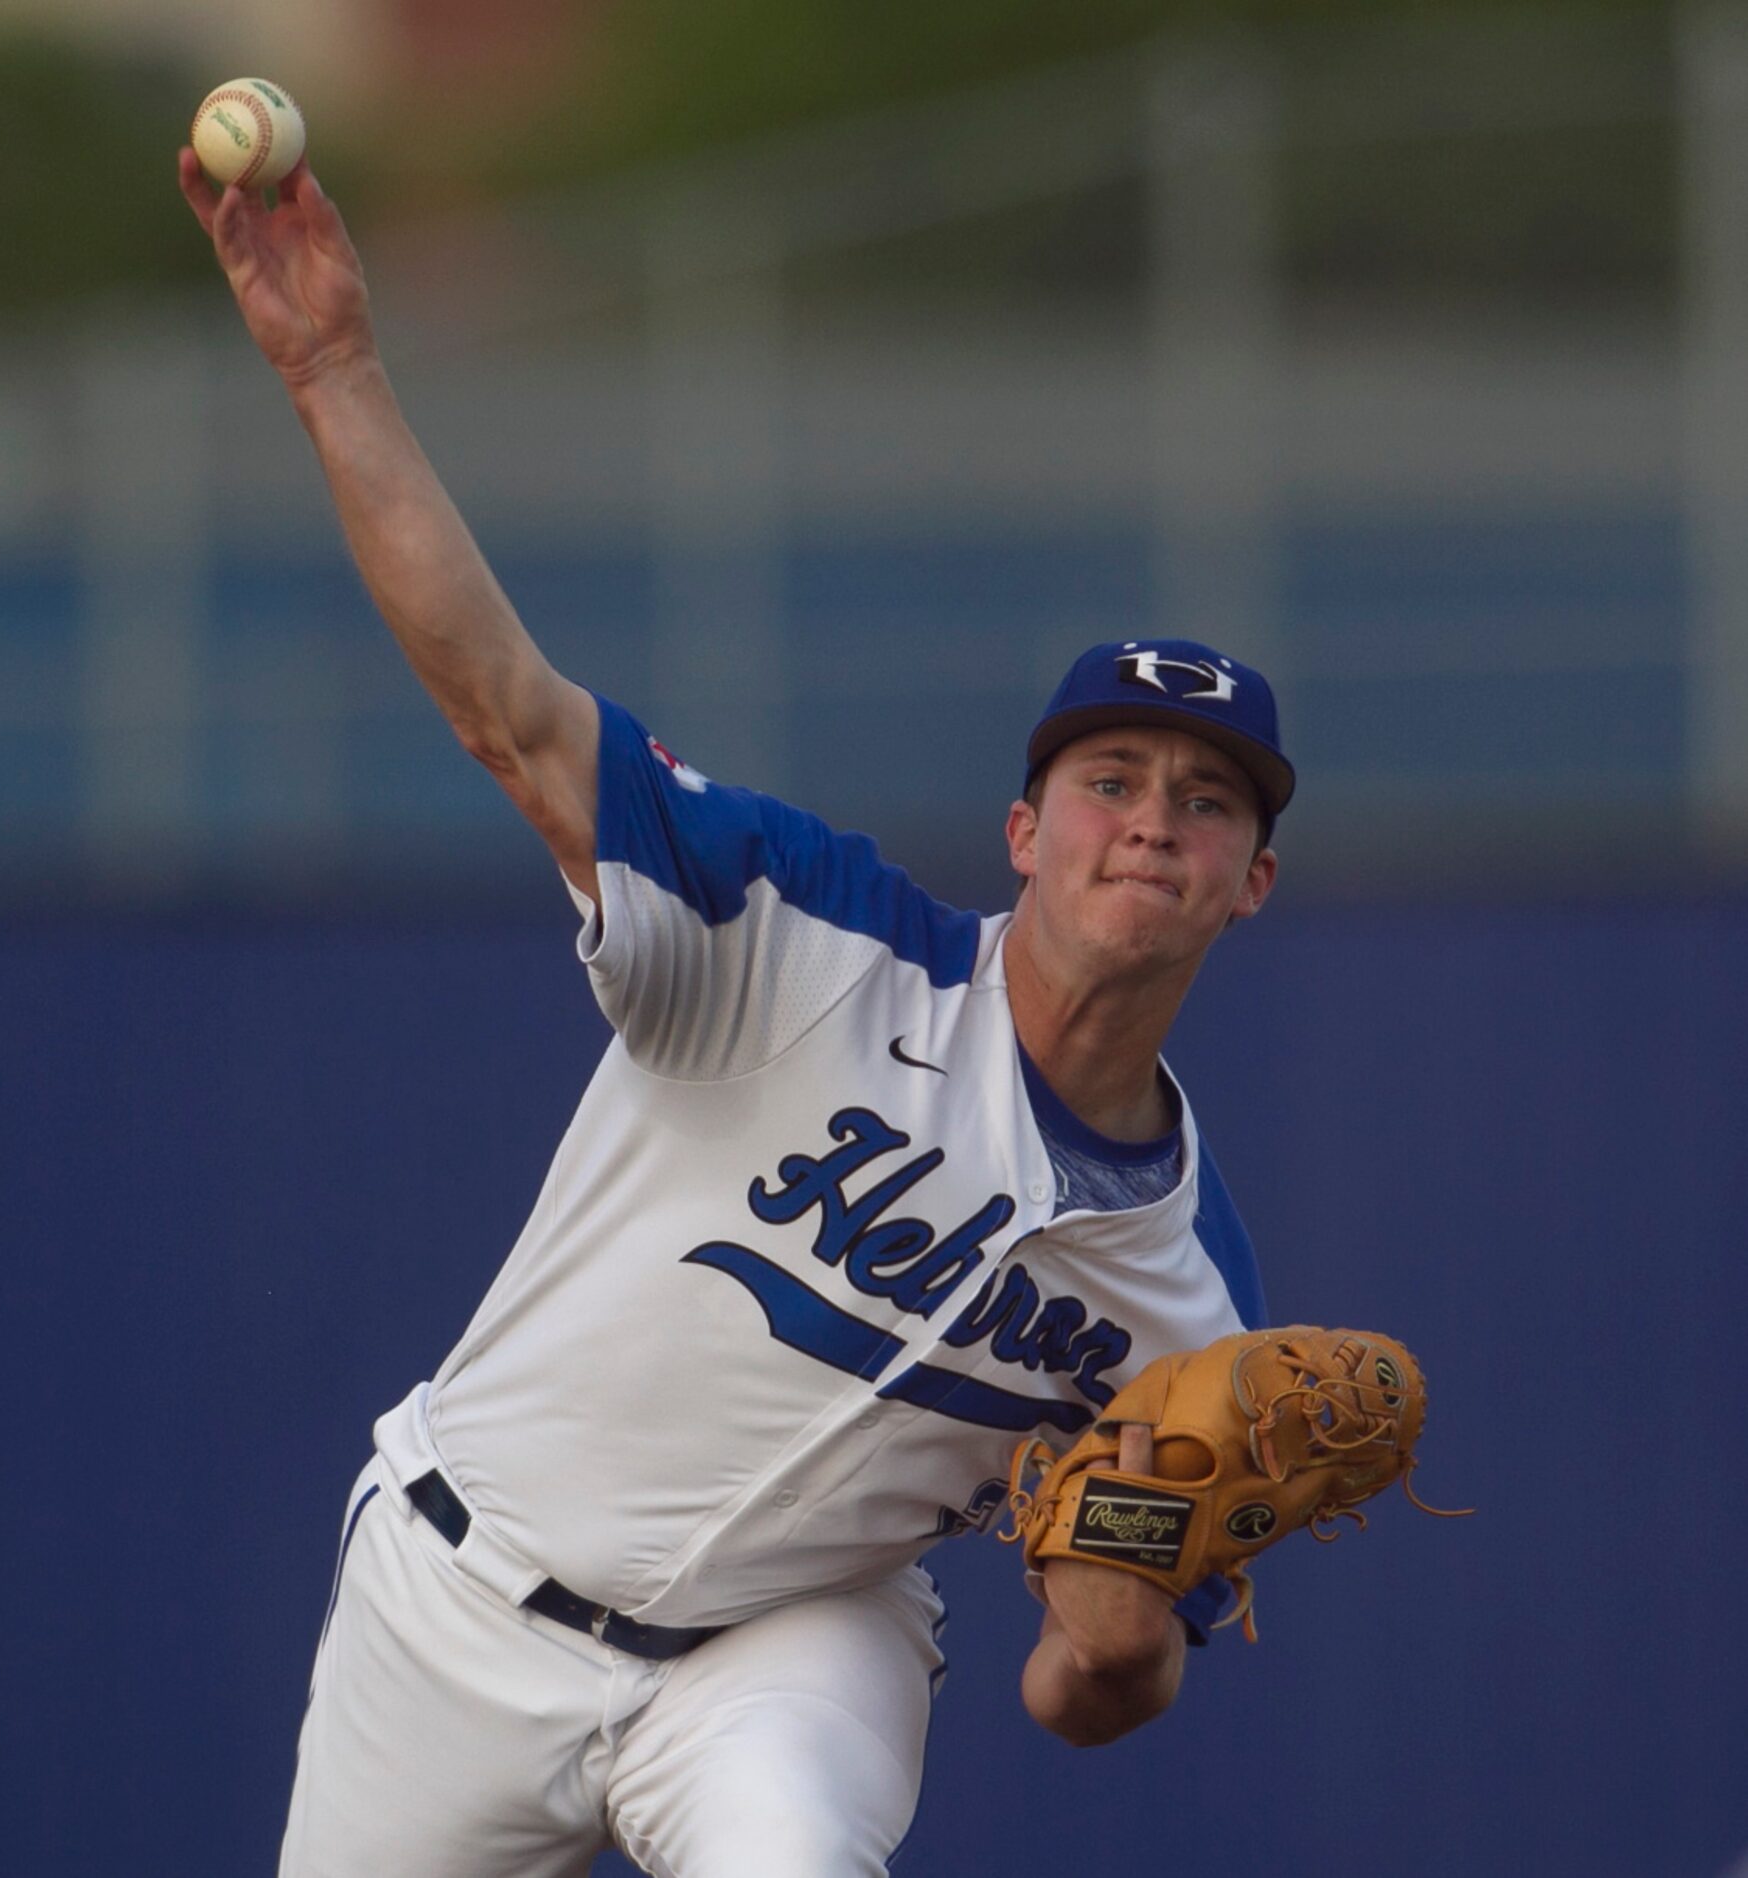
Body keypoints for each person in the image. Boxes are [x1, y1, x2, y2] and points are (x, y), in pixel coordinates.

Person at [179, 153, 1289, 1878]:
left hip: (795, 1651)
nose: (1153, 817)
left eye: (1209, 802)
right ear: (1024, 830)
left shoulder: (1191, 1298)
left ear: (1252, 883)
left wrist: (1117, 1629)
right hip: (461, 1594)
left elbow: (1087, 1698)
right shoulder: (803, 936)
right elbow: (515, 719)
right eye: (1111, 776)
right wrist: (334, 375)